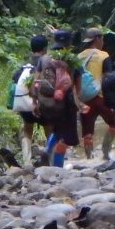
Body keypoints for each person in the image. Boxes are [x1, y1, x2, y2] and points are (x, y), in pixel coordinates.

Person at [33, 30, 83, 168]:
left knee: (56, 129)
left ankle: (47, 151)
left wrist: (34, 101)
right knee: (64, 135)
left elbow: (36, 81)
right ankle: (57, 164)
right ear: (69, 43)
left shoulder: (44, 59)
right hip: (65, 103)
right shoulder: (72, 60)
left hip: (46, 101)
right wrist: (77, 101)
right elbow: (78, 82)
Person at [78, 27, 115, 159]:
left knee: (87, 131)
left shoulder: (78, 57)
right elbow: (108, 79)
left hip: (84, 99)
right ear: (97, 39)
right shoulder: (104, 56)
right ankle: (106, 152)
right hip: (101, 97)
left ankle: (89, 158)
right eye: (102, 38)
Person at [11, 35, 52, 165]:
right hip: (39, 105)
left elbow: (15, 79)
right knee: (49, 131)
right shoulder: (46, 64)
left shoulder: (24, 67)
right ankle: (50, 161)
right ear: (45, 49)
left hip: (23, 105)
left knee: (27, 131)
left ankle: (26, 161)